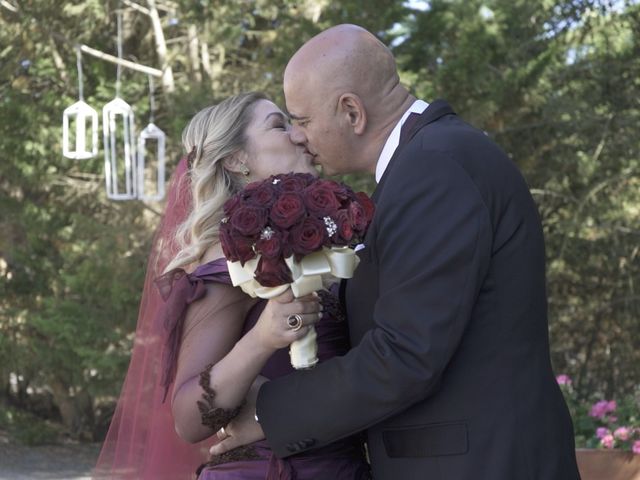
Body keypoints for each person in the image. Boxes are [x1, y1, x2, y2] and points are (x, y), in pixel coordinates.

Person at [211, 25, 581, 479]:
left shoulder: (433, 168)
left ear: (351, 111)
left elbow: (405, 353)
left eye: (303, 121)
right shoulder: (426, 162)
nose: (299, 137)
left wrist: (270, 410)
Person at [93, 92, 370, 480]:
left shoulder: (323, 247)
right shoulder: (229, 266)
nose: (298, 135)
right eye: (279, 124)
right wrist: (262, 338)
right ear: (237, 159)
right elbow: (189, 418)